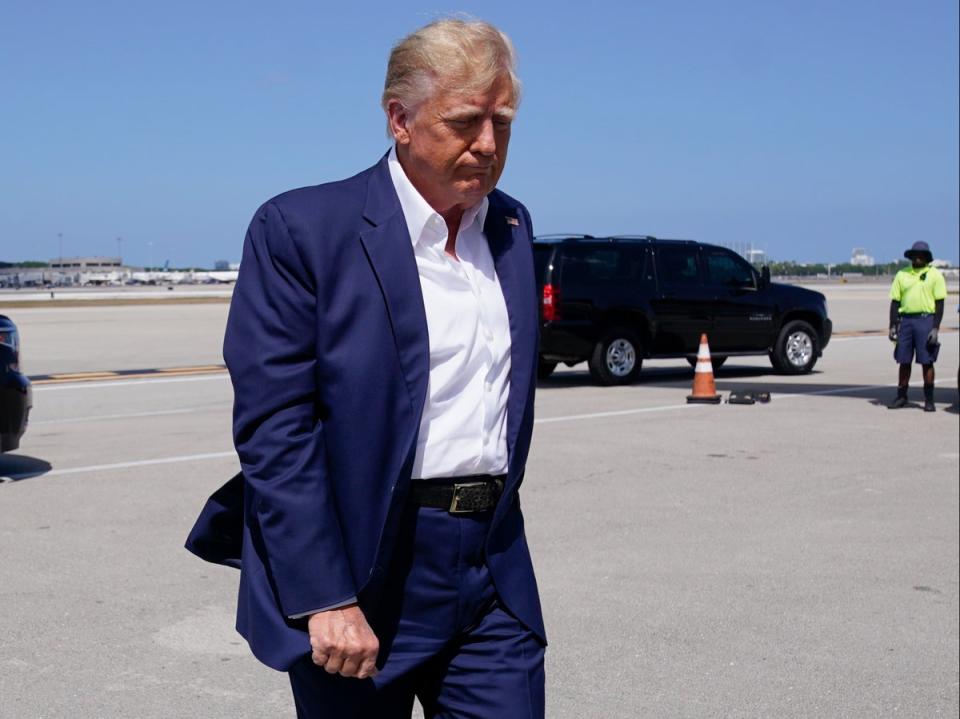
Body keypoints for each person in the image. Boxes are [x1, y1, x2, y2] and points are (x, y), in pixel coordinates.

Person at [185, 17, 546, 718]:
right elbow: (276, 429)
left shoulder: (510, 228)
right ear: (399, 120)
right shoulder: (303, 230)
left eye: (502, 122)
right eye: (466, 121)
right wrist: (324, 595)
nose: (488, 144)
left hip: (487, 566)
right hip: (361, 568)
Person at [887, 241, 946, 412]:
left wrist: (935, 328)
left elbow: (940, 304)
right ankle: (901, 396)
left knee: (927, 361)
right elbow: (895, 302)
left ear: (927, 257)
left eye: (922, 255)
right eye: (915, 254)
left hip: (925, 320)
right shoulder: (902, 275)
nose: (918, 257)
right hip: (905, 321)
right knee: (903, 360)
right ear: (911, 256)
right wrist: (892, 325)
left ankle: (929, 399)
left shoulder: (935, 275)